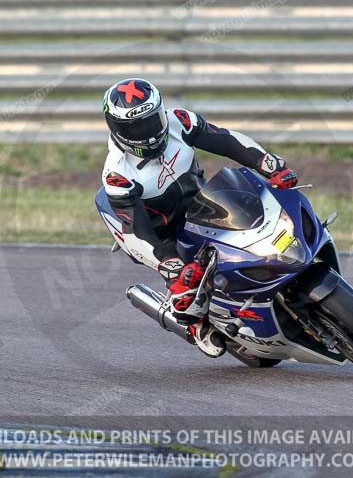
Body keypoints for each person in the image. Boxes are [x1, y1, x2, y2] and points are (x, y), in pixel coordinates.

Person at [100, 78, 298, 352]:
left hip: (204, 204)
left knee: (265, 215)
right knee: (187, 288)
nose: (148, 131)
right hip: (163, 234)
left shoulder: (180, 121)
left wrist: (266, 163)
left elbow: (227, 141)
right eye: (136, 126)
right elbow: (135, 230)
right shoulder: (117, 174)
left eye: (152, 120)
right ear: (117, 128)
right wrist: (168, 263)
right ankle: (195, 325)